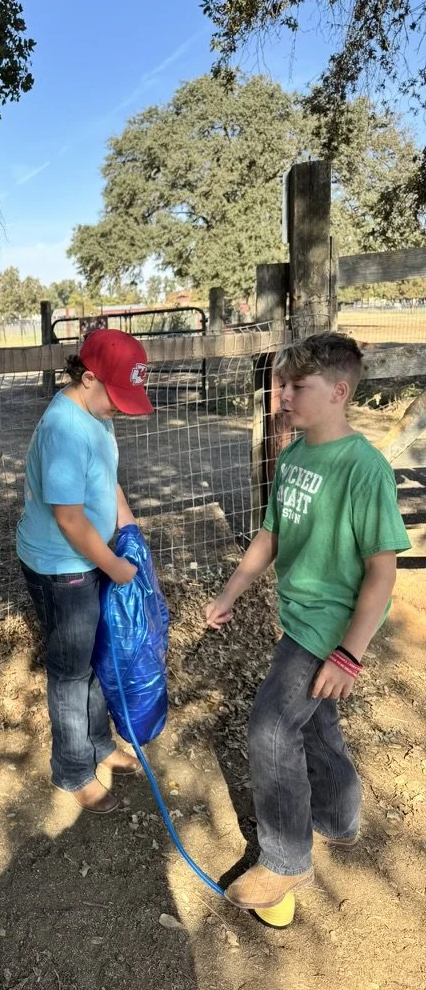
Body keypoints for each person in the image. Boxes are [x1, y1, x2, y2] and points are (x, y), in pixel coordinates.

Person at [205, 332, 411, 909]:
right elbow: (271, 535)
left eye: (298, 386)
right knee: (313, 720)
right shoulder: (293, 455)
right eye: (281, 385)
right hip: (297, 616)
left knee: (271, 728)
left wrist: (349, 653)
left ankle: (286, 859)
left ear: (339, 392)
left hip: (329, 629)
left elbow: (380, 573)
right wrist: (233, 590)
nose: (284, 397)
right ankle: (338, 817)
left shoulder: (363, 470)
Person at [17, 328, 154, 814]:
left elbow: (107, 480)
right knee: (71, 671)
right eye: (117, 397)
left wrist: (130, 529)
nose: (120, 408)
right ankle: (72, 768)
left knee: (93, 658)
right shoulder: (65, 430)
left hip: (90, 556)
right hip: (63, 566)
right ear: (88, 378)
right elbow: (69, 517)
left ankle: (96, 744)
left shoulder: (96, 413)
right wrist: (115, 564)